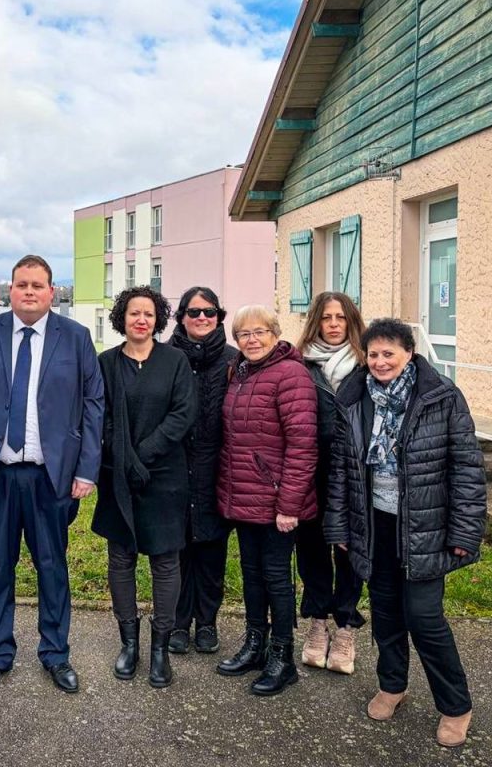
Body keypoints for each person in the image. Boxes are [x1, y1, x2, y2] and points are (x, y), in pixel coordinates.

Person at [325, 318, 486, 748]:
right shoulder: (354, 397)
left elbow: (467, 468)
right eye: (373, 354)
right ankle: (392, 685)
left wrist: (465, 531)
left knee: (424, 617)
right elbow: (341, 469)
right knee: (386, 612)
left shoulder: (441, 397)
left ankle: (456, 706)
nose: (380, 362)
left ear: (409, 354)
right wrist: (339, 525)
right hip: (374, 523)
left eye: (388, 354)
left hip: (426, 525)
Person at [0, 254, 104, 694]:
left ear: (52, 292)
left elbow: (94, 405)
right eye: (22, 284)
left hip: (51, 476)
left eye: (38, 285)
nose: (30, 291)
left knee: (52, 567)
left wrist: (86, 470)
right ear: (10, 290)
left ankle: (55, 654)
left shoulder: (75, 337)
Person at [92, 286, 196, 688]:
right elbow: (100, 416)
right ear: (122, 317)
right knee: (121, 559)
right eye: (134, 313)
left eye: (149, 314)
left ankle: (159, 650)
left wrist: (144, 455)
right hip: (117, 475)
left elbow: (182, 414)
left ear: (158, 320)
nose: (141, 319)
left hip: (165, 477)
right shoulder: (106, 363)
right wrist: (125, 460)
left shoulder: (175, 361)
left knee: (166, 562)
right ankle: (130, 644)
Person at [216, 305, 317, 696]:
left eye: (260, 332)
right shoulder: (240, 373)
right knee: (252, 574)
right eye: (244, 334)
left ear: (276, 334)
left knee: (276, 578)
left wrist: (289, 504)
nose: (252, 340)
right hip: (244, 496)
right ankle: (255, 643)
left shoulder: (291, 374)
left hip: (277, 501)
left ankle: (282, 656)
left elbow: (303, 445)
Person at [295, 292, 366, 673]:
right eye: (326, 318)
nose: (334, 324)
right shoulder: (300, 363)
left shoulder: (367, 364)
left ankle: (345, 626)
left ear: (351, 321)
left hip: (355, 473)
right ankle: (318, 621)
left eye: (340, 317)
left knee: (350, 550)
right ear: (316, 323)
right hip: (312, 469)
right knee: (312, 549)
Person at [167, 287, 237, 656]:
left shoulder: (234, 360)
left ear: (219, 317)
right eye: (194, 312)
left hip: (218, 468)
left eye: (209, 312)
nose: (202, 318)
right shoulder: (165, 357)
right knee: (177, 550)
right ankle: (178, 623)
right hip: (175, 467)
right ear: (181, 317)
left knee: (211, 550)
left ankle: (207, 621)